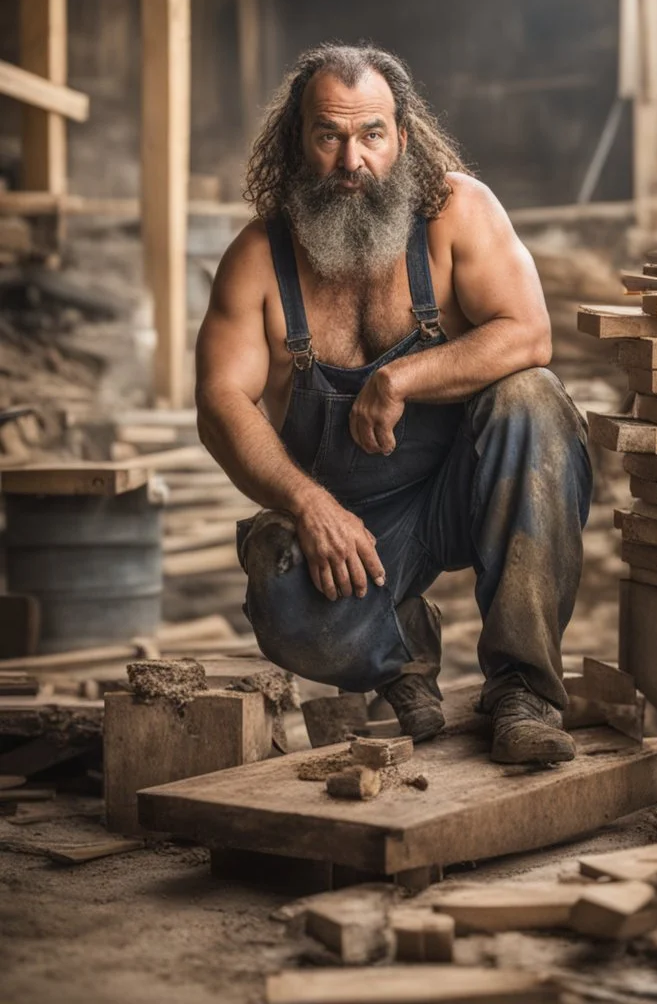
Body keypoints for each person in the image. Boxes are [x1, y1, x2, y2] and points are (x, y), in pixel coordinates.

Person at [195, 43, 592, 765]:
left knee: (533, 400)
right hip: (355, 525)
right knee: (281, 595)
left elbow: (529, 335)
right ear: (298, 143)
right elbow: (221, 400)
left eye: (372, 134)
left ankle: (522, 689)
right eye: (330, 136)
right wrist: (309, 507)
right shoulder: (259, 259)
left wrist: (398, 380)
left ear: (402, 139)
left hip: (468, 489)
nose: (353, 161)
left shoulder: (456, 212)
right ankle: (403, 650)